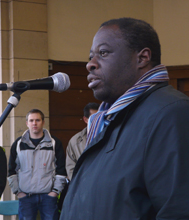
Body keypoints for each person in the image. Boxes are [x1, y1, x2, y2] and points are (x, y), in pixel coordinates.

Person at [60, 17, 189, 220]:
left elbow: (179, 210)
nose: (90, 65)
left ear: (142, 58)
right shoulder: (108, 119)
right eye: (90, 56)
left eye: (103, 53)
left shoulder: (171, 113)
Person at [8, 109, 67, 220]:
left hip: (48, 198)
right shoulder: (18, 144)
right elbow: (11, 170)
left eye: (37, 120)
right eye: (31, 120)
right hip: (26, 197)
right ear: (27, 123)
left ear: (43, 122)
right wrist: (18, 192)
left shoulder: (54, 143)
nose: (34, 123)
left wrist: (55, 192)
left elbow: (61, 170)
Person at [65, 102, 99, 180]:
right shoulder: (75, 141)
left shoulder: (110, 135)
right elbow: (71, 168)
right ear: (85, 120)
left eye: (100, 116)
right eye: (94, 117)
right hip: (83, 186)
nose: (98, 120)